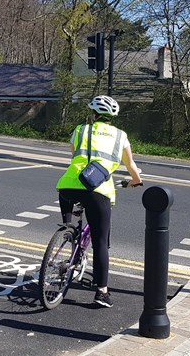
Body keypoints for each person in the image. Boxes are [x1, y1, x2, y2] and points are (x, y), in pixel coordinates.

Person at [56, 95, 143, 308]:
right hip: (98, 189)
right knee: (100, 242)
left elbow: (75, 156)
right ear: (112, 117)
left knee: (70, 220)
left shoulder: (80, 130)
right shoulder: (121, 136)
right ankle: (102, 292)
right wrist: (136, 180)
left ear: (93, 114)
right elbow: (130, 164)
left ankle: (68, 232)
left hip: (67, 185)